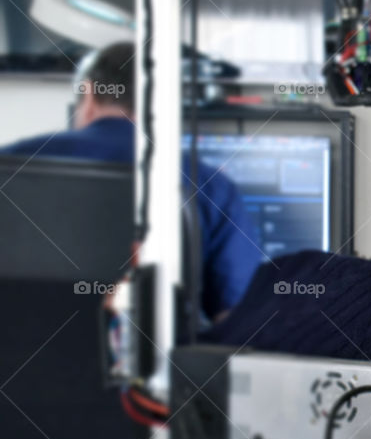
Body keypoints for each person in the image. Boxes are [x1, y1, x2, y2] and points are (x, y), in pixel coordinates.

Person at [0, 42, 263, 321]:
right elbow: (235, 317)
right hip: (156, 349)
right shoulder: (210, 186)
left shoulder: (9, 165)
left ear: (88, 93)